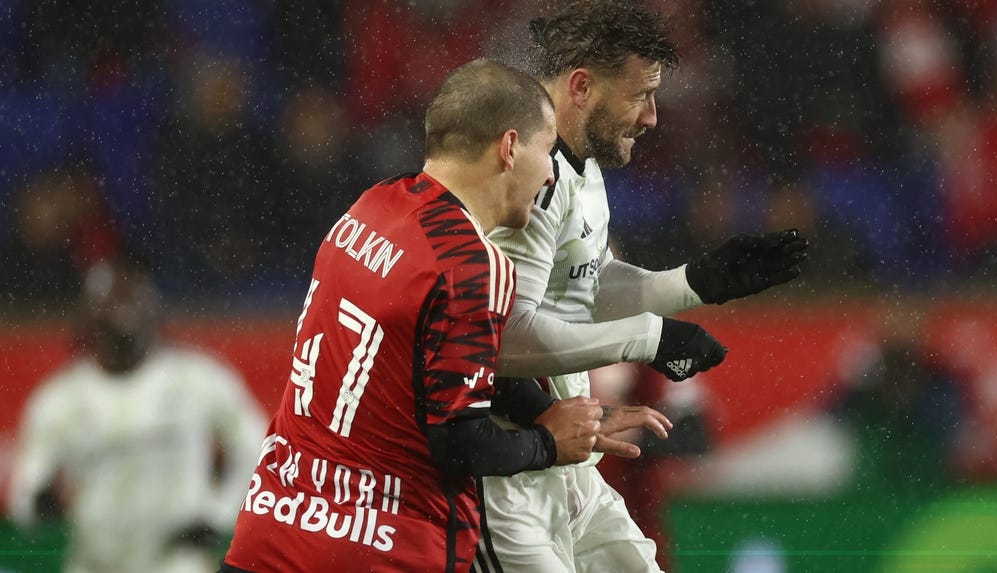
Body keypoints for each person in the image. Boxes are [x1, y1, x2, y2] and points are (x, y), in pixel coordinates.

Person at [219, 59, 672, 573]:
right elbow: (458, 440)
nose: (550, 173)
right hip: (379, 547)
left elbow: (420, 370)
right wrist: (548, 444)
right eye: (546, 151)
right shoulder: (471, 265)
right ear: (508, 149)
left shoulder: (367, 209)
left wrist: (554, 413)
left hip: (274, 530)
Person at [477, 0, 810, 573]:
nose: (653, 117)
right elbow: (503, 338)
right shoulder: (531, 178)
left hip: (570, 463)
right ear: (581, 87)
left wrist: (694, 283)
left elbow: (585, 284)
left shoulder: (584, 170)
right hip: (507, 472)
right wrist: (648, 338)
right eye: (641, 96)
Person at [6, 256, 268, 573]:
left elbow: (256, 445)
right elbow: (25, 493)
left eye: (132, 296)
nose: (122, 308)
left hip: (176, 562)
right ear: (88, 313)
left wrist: (218, 514)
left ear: (153, 306)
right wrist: (43, 503)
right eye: (109, 299)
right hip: (94, 563)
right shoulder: (59, 400)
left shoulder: (197, 379)